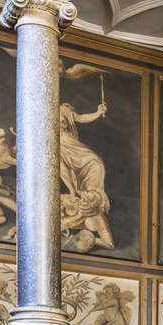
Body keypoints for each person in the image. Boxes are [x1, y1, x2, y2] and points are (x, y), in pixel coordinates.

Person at [59, 98, 114, 252]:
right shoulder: (54, 113)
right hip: (63, 146)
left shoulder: (67, 112)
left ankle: (76, 187)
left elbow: (82, 118)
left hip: (72, 146)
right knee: (68, 163)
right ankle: (73, 188)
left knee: (95, 161)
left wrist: (98, 112)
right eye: (66, 105)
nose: (68, 107)